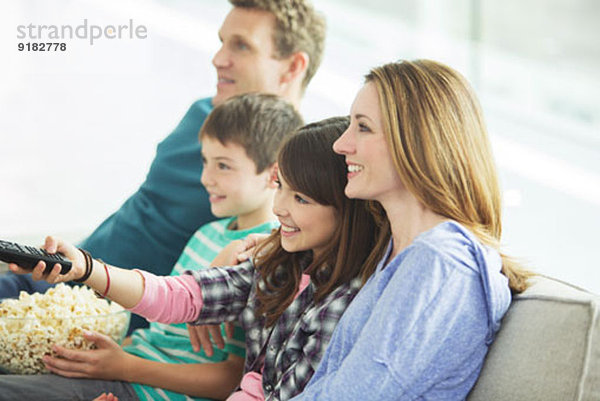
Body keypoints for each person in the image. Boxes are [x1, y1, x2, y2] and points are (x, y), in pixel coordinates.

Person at [0, 0, 326, 333]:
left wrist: (236, 263)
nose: (218, 59)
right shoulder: (204, 114)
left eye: (241, 46)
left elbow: (285, 242)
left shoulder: (289, 171)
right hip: (58, 273)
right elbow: (142, 210)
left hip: (105, 316)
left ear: (292, 67)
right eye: (221, 42)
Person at [8, 117, 385, 401]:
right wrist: (86, 268)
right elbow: (177, 295)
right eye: (282, 188)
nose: (280, 208)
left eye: (301, 199)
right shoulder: (276, 261)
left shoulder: (342, 306)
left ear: (347, 209)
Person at [285, 60, 534, 401]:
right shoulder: (398, 251)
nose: (341, 144)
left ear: (417, 141)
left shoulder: (440, 263)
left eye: (363, 128)